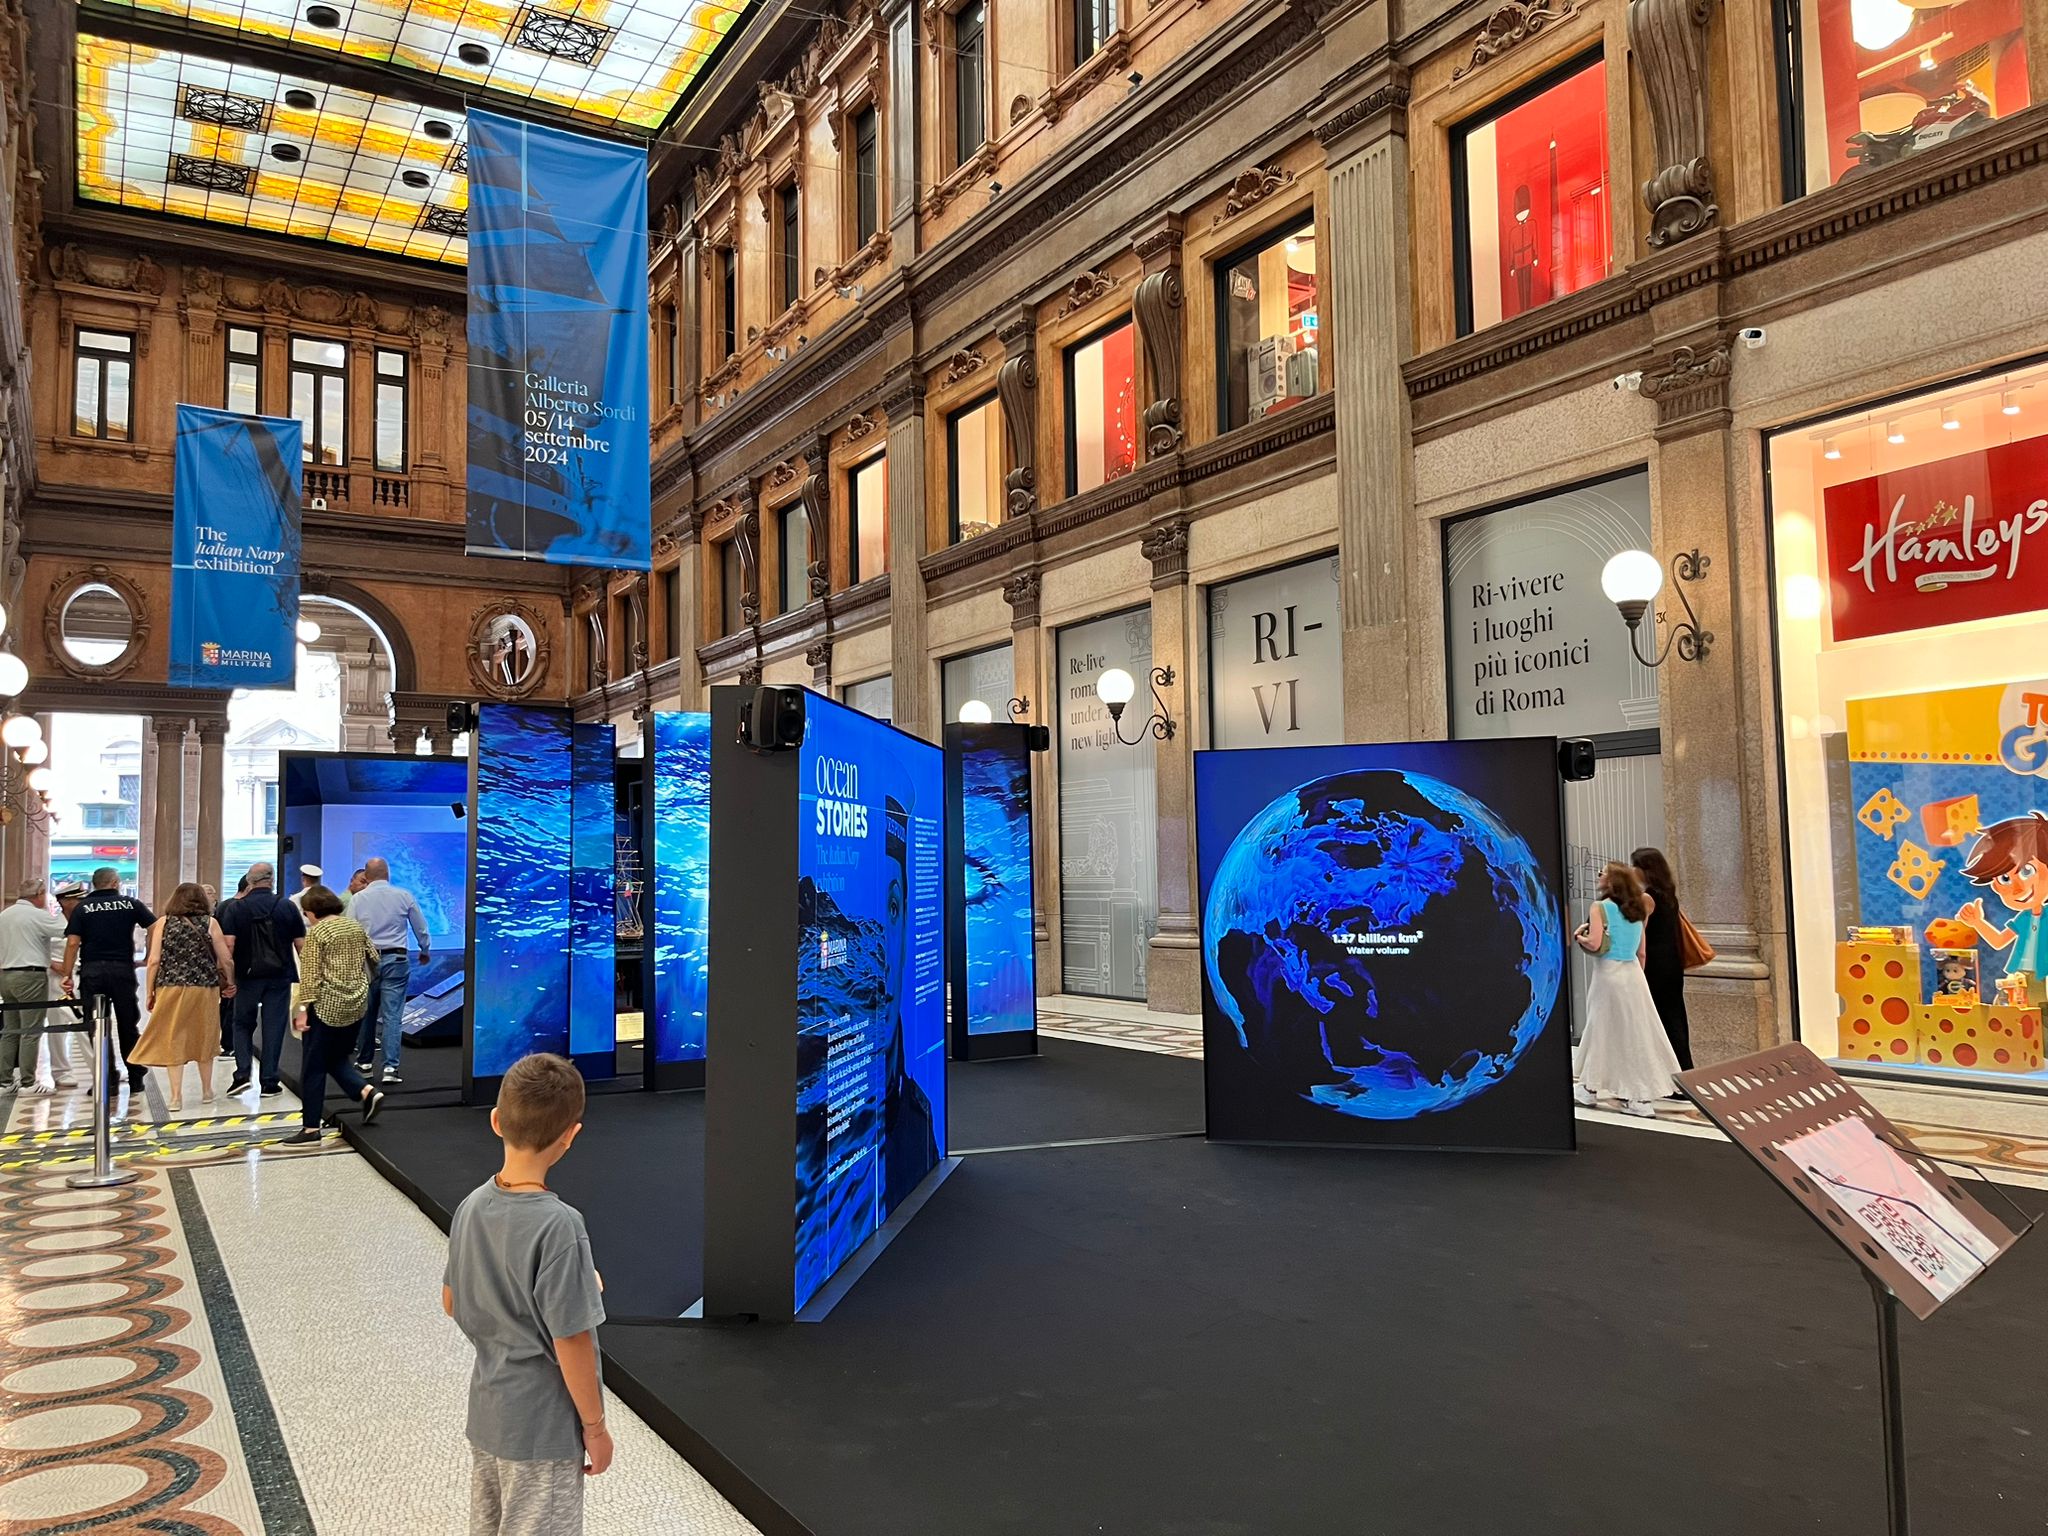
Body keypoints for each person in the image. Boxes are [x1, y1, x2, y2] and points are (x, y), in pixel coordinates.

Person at [443, 1053, 611, 1535]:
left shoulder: (471, 1206)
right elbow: (571, 1341)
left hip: (488, 1417)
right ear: (570, 1136)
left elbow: (452, 1301)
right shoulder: (560, 1226)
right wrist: (595, 1429)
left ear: (496, 1121)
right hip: (544, 1430)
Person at [1572, 861, 1682, 1118]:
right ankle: (1639, 1096)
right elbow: (1641, 952)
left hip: (1608, 975)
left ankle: (1590, 1088)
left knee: (1602, 1028)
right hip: (1633, 976)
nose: (1599, 877)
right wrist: (1636, 976)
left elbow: (1596, 943)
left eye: (1602, 874)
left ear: (1611, 882)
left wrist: (1580, 937)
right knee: (1635, 1033)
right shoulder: (1638, 909)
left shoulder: (1600, 907)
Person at [283, 885, 385, 1146]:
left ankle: (310, 1128)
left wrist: (303, 1010)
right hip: (356, 1003)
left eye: (306, 913)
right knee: (337, 1056)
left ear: (313, 912)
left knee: (314, 1067)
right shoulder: (354, 926)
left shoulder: (318, 933)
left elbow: (310, 974)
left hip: (325, 1006)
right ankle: (364, 1090)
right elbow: (374, 957)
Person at [132, 883, 235, 1113]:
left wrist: (150, 991)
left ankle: (176, 1096)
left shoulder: (163, 923)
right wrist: (230, 981)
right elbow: (226, 959)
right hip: (205, 988)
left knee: (173, 1038)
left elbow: (154, 961)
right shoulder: (211, 923)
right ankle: (207, 1091)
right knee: (206, 1036)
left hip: (170, 987)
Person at [59, 866, 156, 1096]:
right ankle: (135, 1076)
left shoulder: (83, 908)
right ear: (115, 883)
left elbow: (72, 943)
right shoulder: (130, 904)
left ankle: (108, 1079)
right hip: (122, 971)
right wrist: (148, 957)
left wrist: (66, 974)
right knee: (127, 1025)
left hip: (92, 972)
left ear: (94, 884)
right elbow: (154, 927)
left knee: (97, 1026)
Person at [218, 862, 307, 1098]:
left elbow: (229, 946)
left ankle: (242, 1075)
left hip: (247, 976)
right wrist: (308, 979)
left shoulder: (236, 909)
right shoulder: (286, 907)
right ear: (272, 879)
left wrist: (229, 979)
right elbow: (301, 946)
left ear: (250, 880)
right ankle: (269, 1081)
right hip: (279, 976)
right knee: (274, 1027)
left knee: (242, 1023)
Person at [1955, 811, 2048, 1008]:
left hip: (2044, 977)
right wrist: (1977, 922)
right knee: (2019, 1020)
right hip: (2019, 978)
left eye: (2027, 871)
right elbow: (1998, 941)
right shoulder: (2023, 918)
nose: (2016, 888)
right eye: (2004, 878)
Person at [350, 857, 429, 1084]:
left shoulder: (358, 899)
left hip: (367, 961)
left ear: (367, 875)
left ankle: (364, 1063)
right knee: (393, 1016)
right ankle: (390, 1069)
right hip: (397, 959)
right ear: (388, 873)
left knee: (367, 1014)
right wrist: (425, 949)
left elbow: (350, 931)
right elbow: (421, 928)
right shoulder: (404, 896)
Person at [0, 879, 67, 1094]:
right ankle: (28, 1082)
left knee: (10, 1029)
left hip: (6, 975)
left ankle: (5, 1082)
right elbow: (67, 930)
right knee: (31, 1030)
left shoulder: (5, 915)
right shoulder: (37, 915)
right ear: (39, 894)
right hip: (30, 976)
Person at [1630, 846, 1693, 1074]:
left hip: (1655, 965)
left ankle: (1668, 1074)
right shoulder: (1669, 895)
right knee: (1675, 1017)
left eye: (1634, 866)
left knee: (1657, 1019)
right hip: (1672, 963)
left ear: (1644, 869)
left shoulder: (1647, 898)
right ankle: (1684, 1069)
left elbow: (1640, 934)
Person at [212, 878, 243, 1062]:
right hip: (234, 963)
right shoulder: (239, 908)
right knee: (232, 1006)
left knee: (224, 1004)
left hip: (223, 963)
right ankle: (229, 1045)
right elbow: (228, 943)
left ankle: (225, 1043)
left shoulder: (223, 906)